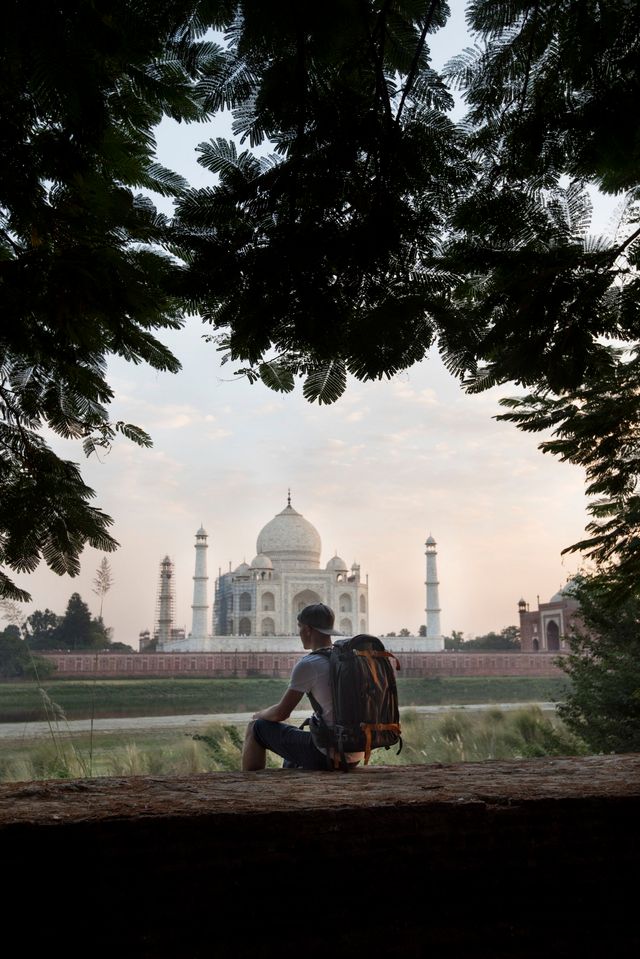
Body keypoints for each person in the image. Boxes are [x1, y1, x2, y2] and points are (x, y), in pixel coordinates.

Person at [241, 602, 363, 771]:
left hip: (327, 754)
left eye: (299, 627)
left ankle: (250, 784)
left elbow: (281, 713)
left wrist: (259, 715)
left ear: (307, 629)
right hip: (355, 753)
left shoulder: (310, 664)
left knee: (257, 728)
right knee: (296, 734)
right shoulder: (350, 660)